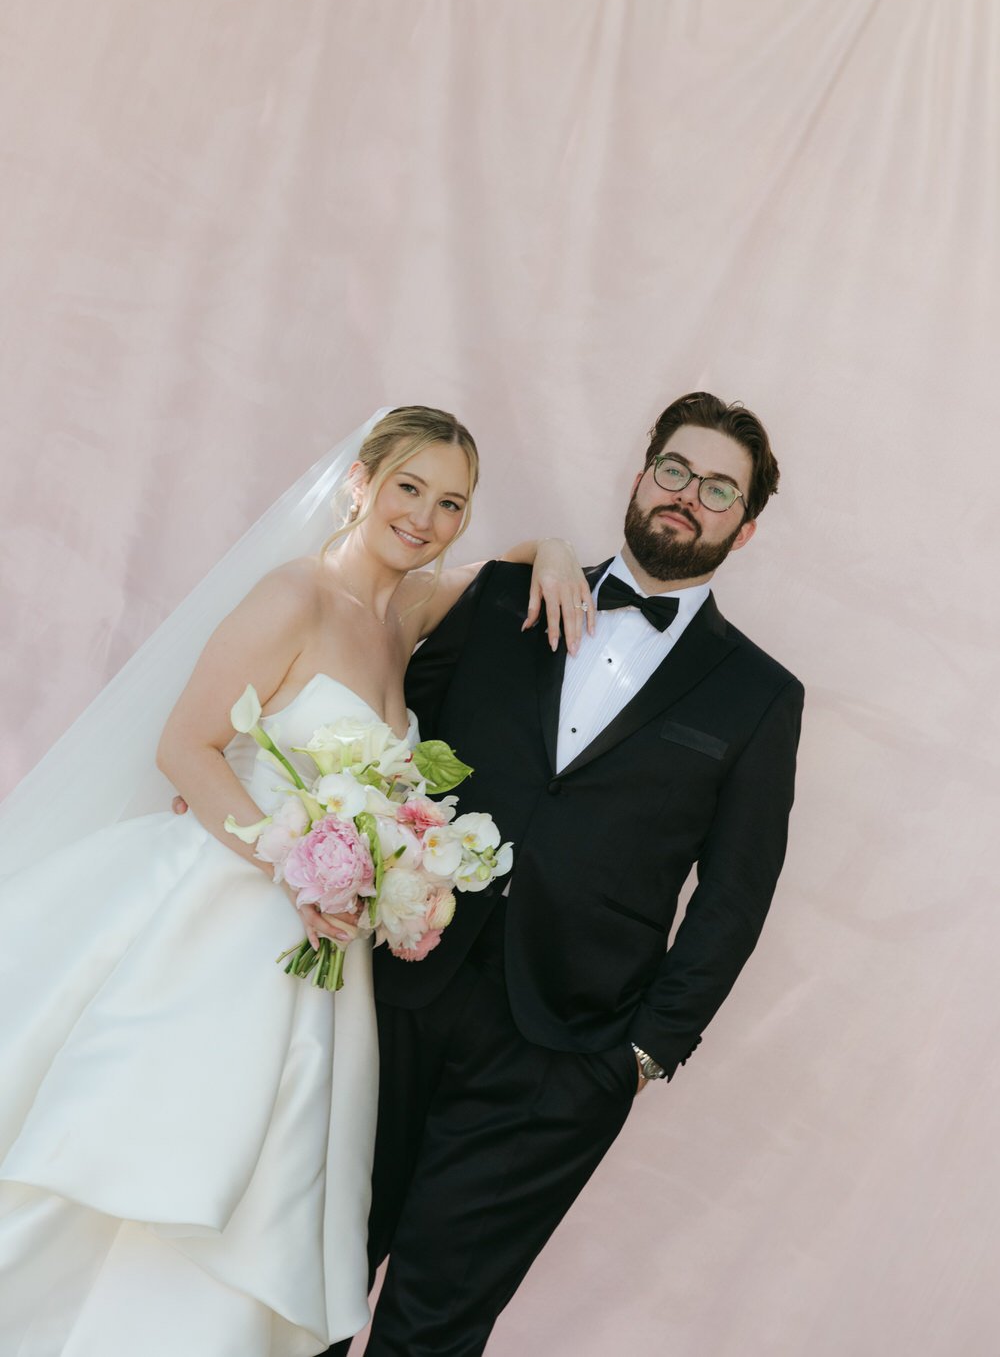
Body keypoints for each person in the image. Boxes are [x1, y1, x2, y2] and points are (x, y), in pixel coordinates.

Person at [0, 405, 591, 1357]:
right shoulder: (294, 596)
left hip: (319, 957)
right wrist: (295, 864)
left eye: (451, 503)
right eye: (408, 487)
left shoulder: (404, 613)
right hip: (228, 913)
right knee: (161, 1153)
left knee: (264, 1192)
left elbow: (501, 565)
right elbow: (185, 747)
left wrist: (555, 549)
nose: (425, 518)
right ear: (360, 481)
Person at [330, 391, 805, 1357]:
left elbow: (735, 895)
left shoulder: (761, 696)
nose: (688, 495)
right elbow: (386, 735)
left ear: (745, 527)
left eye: (719, 489)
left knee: (431, 1326)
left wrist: (639, 1056)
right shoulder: (502, 597)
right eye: (675, 468)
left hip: (561, 1055)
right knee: (311, 1279)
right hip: (397, 993)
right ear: (641, 475)